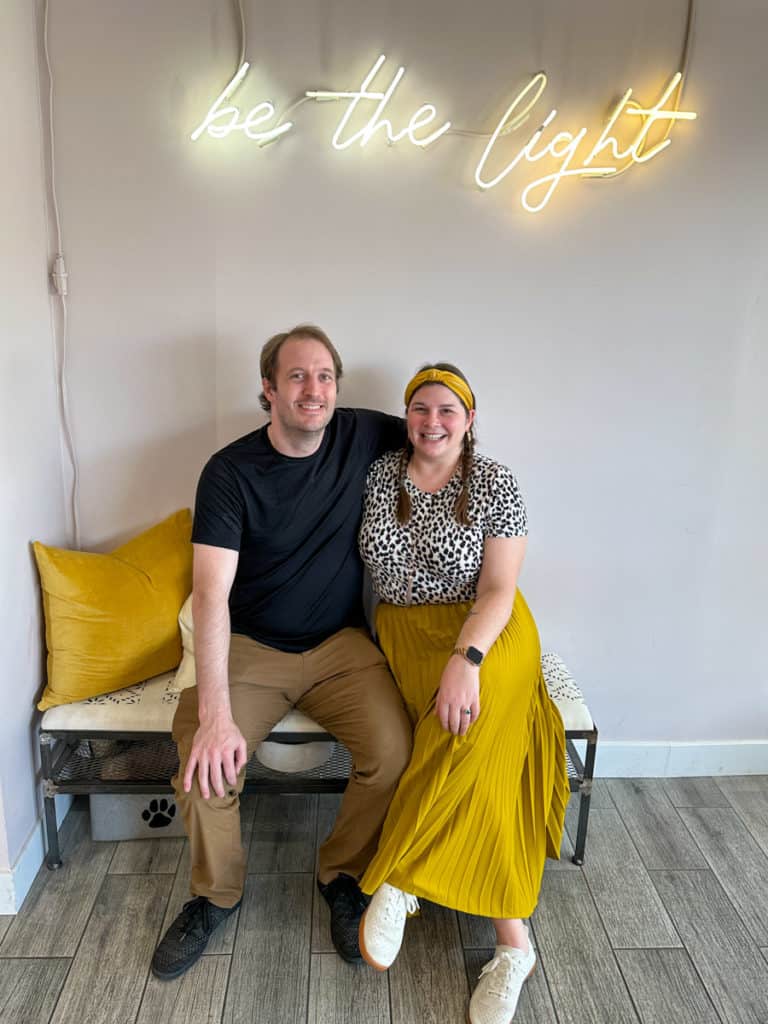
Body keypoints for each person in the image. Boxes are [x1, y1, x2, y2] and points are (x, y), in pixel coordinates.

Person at [151, 324, 412, 980]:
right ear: (268, 390)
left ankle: (343, 876)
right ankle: (215, 895)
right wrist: (213, 713)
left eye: (324, 376)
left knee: (393, 750)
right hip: (252, 646)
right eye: (296, 377)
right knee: (202, 757)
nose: (313, 389)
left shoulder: (364, 436)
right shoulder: (230, 473)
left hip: (341, 647)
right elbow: (210, 594)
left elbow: (439, 430)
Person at [356, 364, 569, 1023]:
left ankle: (400, 879)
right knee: (460, 735)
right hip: (407, 630)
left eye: (448, 410)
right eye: (421, 408)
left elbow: (500, 588)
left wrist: (467, 658)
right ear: (407, 415)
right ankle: (516, 948)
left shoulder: (495, 482)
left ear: (469, 421)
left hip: (489, 628)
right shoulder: (380, 475)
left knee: (466, 718)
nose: (433, 421)